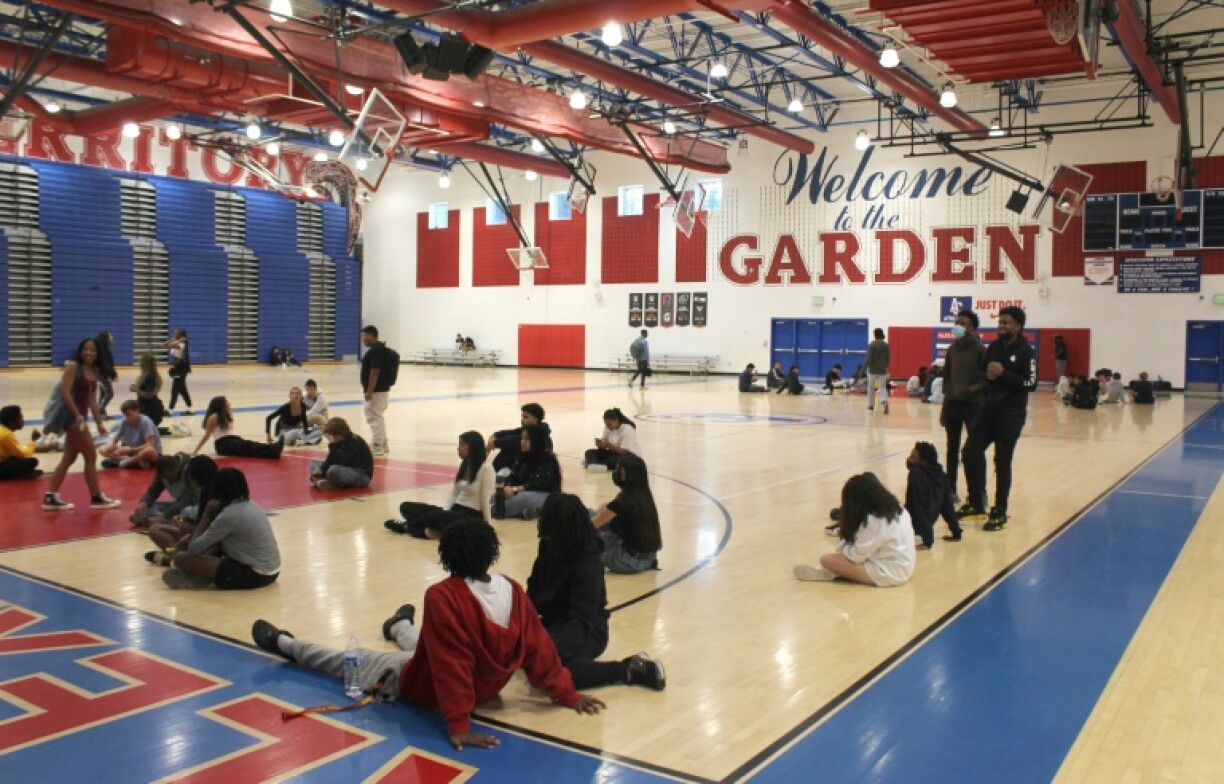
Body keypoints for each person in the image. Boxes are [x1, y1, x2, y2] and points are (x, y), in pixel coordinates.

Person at [251, 519, 606, 751]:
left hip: (420, 686)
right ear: (491, 552)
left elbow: (451, 665)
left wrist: (457, 724)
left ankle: (285, 643)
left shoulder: (443, 595)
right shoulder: (512, 589)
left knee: (343, 661)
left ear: (446, 555)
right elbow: (540, 651)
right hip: (482, 688)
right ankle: (398, 626)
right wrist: (567, 695)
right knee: (424, 643)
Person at [527, 494, 666, 690]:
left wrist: (553, 651)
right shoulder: (549, 545)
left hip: (586, 629)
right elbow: (533, 590)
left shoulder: (587, 561)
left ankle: (629, 669)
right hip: (553, 622)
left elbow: (581, 619)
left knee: (557, 671)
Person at [960, 306, 1037, 531]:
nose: (1002, 326)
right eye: (1000, 322)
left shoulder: (1026, 351)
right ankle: (976, 502)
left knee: (1002, 461)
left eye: (1006, 323)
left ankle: (1000, 509)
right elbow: (986, 375)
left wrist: (1004, 374)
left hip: (1011, 414)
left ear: (1018, 326)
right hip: (988, 411)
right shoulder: (993, 347)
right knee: (970, 452)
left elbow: (1030, 383)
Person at [160, 467, 280, 590]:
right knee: (197, 543)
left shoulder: (229, 514)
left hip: (256, 575)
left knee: (181, 558)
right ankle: (200, 575)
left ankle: (199, 576)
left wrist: (206, 515)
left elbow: (193, 549)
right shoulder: (252, 505)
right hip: (271, 570)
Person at [41, 338, 121, 511]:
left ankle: (50, 495)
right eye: (85, 349)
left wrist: (99, 422)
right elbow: (65, 392)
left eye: (92, 350)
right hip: (73, 419)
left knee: (69, 458)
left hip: (81, 418)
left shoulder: (94, 370)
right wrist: (77, 415)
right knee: (91, 455)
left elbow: (92, 399)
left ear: (98, 353)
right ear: (80, 350)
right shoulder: (73, 367)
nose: (88, 353)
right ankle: (96, 496)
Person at [794, 472, 915, 586]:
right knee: (842, 558)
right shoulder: (898, 509)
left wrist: (843, 545)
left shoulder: (874, 521)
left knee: (826, 560)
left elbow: (855, 556)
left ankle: (836, 572)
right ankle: (838, 572)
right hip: (904, 566)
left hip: (890, 573)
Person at [386, 431, 495, 539]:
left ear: (473, 447)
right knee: (406, 507)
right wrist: (446, 511)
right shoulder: (464, 465)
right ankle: (442, 531)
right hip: (455, 510)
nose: (458, 448)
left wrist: (487, 526)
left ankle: (406, 526)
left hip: (471, 515)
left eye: (462, 445)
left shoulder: (486, 468)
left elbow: (485, 500)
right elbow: (454, 494)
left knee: (436, 517)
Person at [940, 310, 986, 506]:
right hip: (953, 404)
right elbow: (947, 378)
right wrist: (945, 407)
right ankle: (951, 490)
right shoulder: (951, 350)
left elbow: (986, 378)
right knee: (952, 448)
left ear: (972, 327)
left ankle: (979, 492)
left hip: (974, 405)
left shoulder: (980, 349)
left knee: (974, 450)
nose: (958, 326)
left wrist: (972, 389)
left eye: (963, 323)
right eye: (957, 322)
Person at [591, 453, 662, 574]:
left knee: (586, 520)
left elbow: (591, 526)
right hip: (649, 559)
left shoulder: (624, 501)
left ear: (629, 475)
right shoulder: (645, 497)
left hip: (626, 562)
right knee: (600, 511)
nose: (616, 473)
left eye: (620, 470)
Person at [144, 455, 216, 563]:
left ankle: (173, 557)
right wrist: (143, 504)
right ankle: (176, 553)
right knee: (154, 529)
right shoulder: (205, 492)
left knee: (182, 518)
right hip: (195, 527)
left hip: (205, 534)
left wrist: (190, 536)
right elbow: (154, 489)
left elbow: (187, 503)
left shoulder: (215, 499)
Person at [492, 423, 561, 520]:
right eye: (522, 439)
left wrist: (515, 490)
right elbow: (513, 477)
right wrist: (507, 488)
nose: (522, 442)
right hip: (521, 492)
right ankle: (534, 511)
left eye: (527, 439)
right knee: (494, 497)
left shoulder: (547, 460)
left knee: (522, 499)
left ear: (536, 441)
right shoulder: (521, 456)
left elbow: (538, 484)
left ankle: (536, 510)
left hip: (545, 495)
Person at [904, 442, 962, 549]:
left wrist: (927, 541)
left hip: (916, 522)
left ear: (923, 461)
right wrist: (956, 532)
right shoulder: (941, 474)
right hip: (929, 518)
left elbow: (920, 505)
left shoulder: (916, 474)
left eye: (913, 457)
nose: (908, 459)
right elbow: (947, 506)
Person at [191, 396, 284, 459]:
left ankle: (273, 449)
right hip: (223, 444)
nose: (228, 403)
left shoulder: (225, 414)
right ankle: (273, 450)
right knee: (248, 447)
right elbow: (206, 435)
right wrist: (195, 451)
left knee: (250, 445)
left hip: (231, 440)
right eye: (226, 402)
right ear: (220, 405)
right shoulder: (214, 417)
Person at [130, 452, 199, 530]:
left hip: (197, 504)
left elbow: (188, 501)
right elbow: (153, 490)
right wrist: (144, 503)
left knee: (187, 511)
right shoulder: (164, 470)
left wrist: (163, 516)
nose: (168, 480)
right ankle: (158, 520)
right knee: (149, 507)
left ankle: (159, 521)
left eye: (169, 476)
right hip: (179, 504)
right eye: (165, 477)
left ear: (177, 467)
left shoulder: (190, 469)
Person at [309, 417, 374, 490]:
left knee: (333, 470)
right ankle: (324, 481)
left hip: (360, 475)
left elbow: (342, 461)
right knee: (315, 464)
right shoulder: (337, 442)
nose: (329, 439)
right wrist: (321, 469)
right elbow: (330, 459)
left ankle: (325, 482)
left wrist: (324, 469)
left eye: (331, 436)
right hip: (343, 468)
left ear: (339, 435)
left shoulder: (355, 441)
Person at [99, 400, 162, 469]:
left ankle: (126, 462)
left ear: (136, 411)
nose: (127, 417)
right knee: (102, 449)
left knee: (150, 451)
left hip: (145, 453)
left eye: (129, 414)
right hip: (132, 453)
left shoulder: (145, 421)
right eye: (125, 414)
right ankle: (131, 461)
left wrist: (129, 450)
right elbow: (116, 439)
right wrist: (112, 445)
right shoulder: (124, 421)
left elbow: (149, 445)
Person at [487, 403, 549, 472]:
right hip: (524, 465)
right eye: (522, 417)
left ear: (536, 419)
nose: (522, 420)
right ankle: (497, 472)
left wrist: (494, 443)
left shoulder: (539, 433)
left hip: (533, 469)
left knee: (510, 447)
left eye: (526, 417)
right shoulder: (527, 429)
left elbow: (515, 440)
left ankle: (497, 473)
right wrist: (494, 435)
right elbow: (510, 432)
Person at [360, 325, 392, 456]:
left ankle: (377, 445)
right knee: (377, 416)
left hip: (376, 390)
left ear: (371, 335)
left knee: (373, 417)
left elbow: (375, 371)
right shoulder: (380, 348)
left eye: (364, 336)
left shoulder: (376, 350)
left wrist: (369, 390)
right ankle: (382, 442)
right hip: (381, 389)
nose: (363, 339)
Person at [0, 405, 41, 480]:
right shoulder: (6, 435)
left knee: (14, 459)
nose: (23, 421)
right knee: (32, 461)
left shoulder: (3, 431)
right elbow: (23, 454)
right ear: (10, 422)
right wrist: (33, 440)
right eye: (20, 419)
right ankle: (17, 476)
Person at [162, 329, 193, 415]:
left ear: (181, 336)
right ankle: (190, 409)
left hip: (181, 369)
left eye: (176, 333)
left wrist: (178, 340)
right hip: (177, 368)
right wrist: (172, 339)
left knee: (175, 389)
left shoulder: (182, 344)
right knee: (182, 390)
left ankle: (170, 410)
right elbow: (163, 345)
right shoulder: (177, 342)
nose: (174, 334)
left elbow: (173, 345)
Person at [865, 327, 890, 414]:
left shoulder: (872, 345)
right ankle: (884, 401)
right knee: (882, 387)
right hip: (882, 369)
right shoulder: (885, 345)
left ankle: (871, 405)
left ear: (875, 334)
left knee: (871, 387)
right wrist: (886, 367)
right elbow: (888, 358)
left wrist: (863, 368)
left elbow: (868, 358)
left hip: (872, 369)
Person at [95, 331, 118, 418]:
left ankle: (102, 413)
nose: (112, 337)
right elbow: (106, 365)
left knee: (103, 394)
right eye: (110, 336)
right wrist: (113, 374)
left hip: (101, 375)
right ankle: (100, 410)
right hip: (102, 375)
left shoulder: (104, 349)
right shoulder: (103, 351)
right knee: (109, 393)